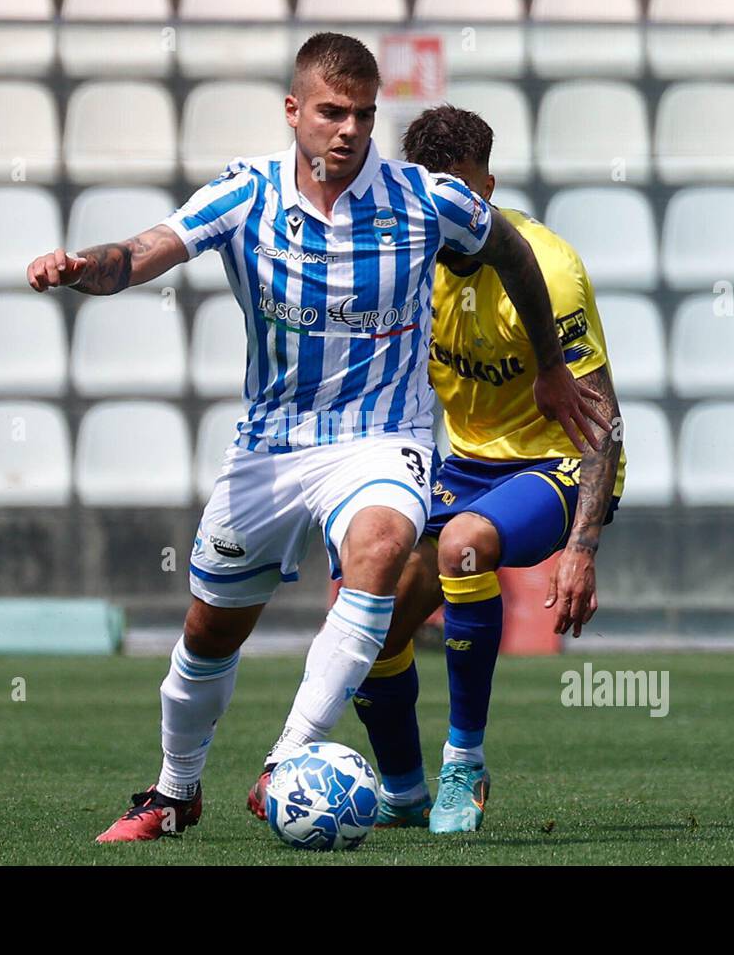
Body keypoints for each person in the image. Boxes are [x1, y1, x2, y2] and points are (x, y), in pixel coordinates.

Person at [26, 35, 607, 843]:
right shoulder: (246, 194)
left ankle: (288, 761)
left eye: (363, 115)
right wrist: (83, 268)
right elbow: (144, 251)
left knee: (381, 544)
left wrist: (549, 363)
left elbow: (507, 247)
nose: (347, 130)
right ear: (294, 111)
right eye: (331, 112)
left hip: (381, 438)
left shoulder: (421, 199)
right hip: (270, 443)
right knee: (209, 631)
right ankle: (173, 791)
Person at [246, 105, 627, 834]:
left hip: (556, 464)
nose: (461, 213)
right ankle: (403, 792)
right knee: (365, 613)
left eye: (471, 196)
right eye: (442, 196)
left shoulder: (548, 268)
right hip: (464, 467)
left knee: (463, 547)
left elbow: (602, 419)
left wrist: (582, 547)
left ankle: (465, 764)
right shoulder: (404, 265)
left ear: (490, 184)